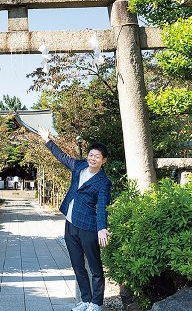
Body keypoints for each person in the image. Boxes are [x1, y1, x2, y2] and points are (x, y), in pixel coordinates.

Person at [37, 127, 112, 311]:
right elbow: (61, 156)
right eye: (91, 154)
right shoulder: (79, 166)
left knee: (95, 267)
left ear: (103, 161)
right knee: (77, 265)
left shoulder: (103, 182)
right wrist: (47, 140)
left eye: (97, 156)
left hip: (88, 226)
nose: (92, 158)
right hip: (70, 223)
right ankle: (85, 300)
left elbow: (102, 206)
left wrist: (102, 227)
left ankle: (96, 303)